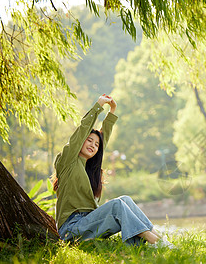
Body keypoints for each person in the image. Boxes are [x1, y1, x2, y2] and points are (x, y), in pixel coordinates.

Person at [53, 94, 174, 248]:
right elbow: (82, 130)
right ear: (81, 140)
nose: (93, 145)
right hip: (71, 230)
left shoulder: (88, 167)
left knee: (125, 200)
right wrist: (98, 107)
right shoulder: (67, 161)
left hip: (88, 222)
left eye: (96, 144)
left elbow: (104, 139)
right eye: (89, 140)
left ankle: (157, 239)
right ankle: (155, 241)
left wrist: (112, 111)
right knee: (117, 204)